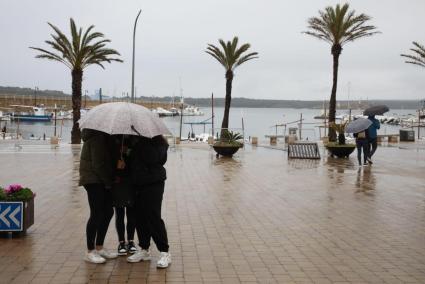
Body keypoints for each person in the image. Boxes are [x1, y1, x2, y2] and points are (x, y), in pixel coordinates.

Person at [127, 135, 171, 268]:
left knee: (153, 217)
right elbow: (134, 162)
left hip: (153, 183)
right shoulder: (136, 142)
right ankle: (144, 249)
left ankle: (164, 252)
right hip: (137, 183)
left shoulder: (159, 144)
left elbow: (152, 159)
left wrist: (140, 144)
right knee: (139, 217)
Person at [79, 128, 118, 264]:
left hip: (100, 180)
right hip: (93, 180)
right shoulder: (97, 138)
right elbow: (98, 164)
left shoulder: (104, 138)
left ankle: (99, 247)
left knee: (107, 212)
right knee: (96, 213)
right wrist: (108, 182)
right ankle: (90, 251)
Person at [110, 135, 138, 255]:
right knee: (119, 213)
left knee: (131, 213)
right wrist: (117, 163)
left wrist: (128, 152)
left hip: (131, 182)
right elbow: (107, 159)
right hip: (118, 182)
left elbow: (138, 159)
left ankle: (131, 241)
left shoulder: (135, 139)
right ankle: (121, 242)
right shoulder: (113, 139)